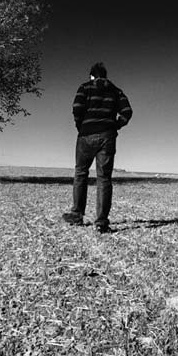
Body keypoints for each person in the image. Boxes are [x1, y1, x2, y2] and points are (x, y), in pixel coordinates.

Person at [63, 62, 133, 233]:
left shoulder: (85, 87)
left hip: (86, 136)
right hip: (107, 137)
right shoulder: (116, 91)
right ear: (105, 75)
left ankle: (77, 214)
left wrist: (81, 126)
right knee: (104, 178)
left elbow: (77, 108)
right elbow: (127, 111)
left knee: (80, 173)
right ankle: (101, 222)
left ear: (92, 76)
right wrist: (115, 126)